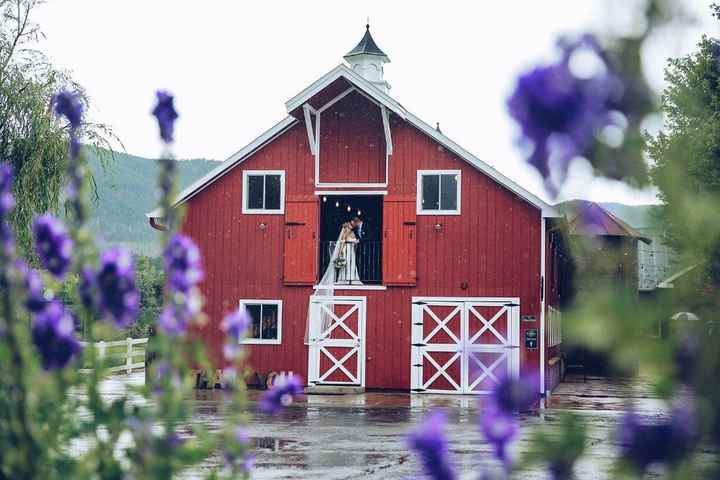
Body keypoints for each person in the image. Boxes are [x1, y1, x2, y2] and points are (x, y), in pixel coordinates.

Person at [336, 219, 362, 284]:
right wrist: (341, 251)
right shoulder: (346, 232)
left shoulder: (352, 233)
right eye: (350, 225)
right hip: (347, 249)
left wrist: (356, 243)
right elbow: (343, 242)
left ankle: (352, 278)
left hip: (352, 251)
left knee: (352, 264)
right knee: (347, 263)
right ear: (347, 226)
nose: (352, 226)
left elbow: (354, 242)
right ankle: (345, 279)